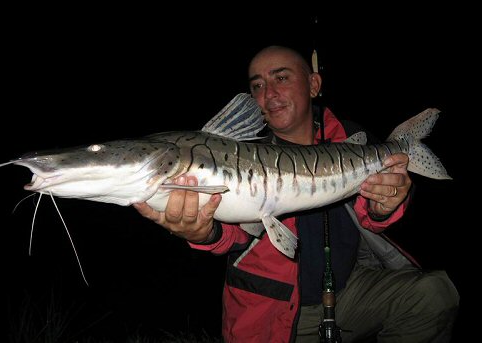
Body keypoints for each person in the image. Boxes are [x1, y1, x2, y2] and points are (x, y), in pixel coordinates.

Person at [133, 45, 459, 342]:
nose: (268, 94)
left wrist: (385, 206)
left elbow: (374, 215)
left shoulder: (349, 138)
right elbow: (233, 233)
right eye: (257, 85)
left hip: (346, 292)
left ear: (314, 85)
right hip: (268, 311)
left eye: (281, 78)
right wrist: (203, 232)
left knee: (434, 294)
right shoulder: (236, 150)